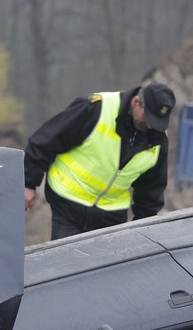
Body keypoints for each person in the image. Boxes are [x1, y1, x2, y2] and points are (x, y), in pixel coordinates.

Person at [23, 82, 176, 240]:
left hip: (111, 216)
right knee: (68, 262)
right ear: (135, 102)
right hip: (68, 202)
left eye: (157, 122)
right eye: (147, 118)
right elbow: (46, 140)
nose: (150, 126)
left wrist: (142, 230)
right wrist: (28, 182)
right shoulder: (96, 109)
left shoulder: (158, 141)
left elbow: (151, 191)